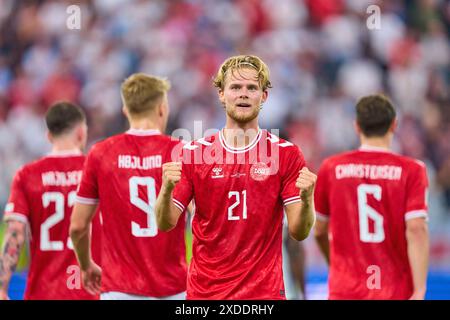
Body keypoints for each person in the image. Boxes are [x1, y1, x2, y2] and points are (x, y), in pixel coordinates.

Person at [155, 55, 316, 300]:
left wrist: (307, 199)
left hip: (264, 295)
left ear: (264, 96)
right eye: (235, 87)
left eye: (252, 88)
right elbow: (165, 223)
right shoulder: (193, 153)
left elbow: (299, 231)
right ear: (221, 94)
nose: (243, 94)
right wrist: (166, 190)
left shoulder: (286, 154)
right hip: (206, 295)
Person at [70, 73, 187, 300]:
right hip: (174, 289)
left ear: (126, 111)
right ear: (162, 108)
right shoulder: (181, 151)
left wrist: (86, 265)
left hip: (120, 289)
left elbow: (77, 226)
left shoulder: (101, 153)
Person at [314, 94, 429, 300]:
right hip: (394, 290)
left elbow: (319, 230)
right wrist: (419, 290)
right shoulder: (412, 170)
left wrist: (337, 265)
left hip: (346, 289)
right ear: (394, 125)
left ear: (357, 126)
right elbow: (416, 228)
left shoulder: (331, 168)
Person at [0, 102, 101, 300]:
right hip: (89, 292)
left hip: (43, 291)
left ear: (48, 136)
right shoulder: (97, 172)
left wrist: (2, 287)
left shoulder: (27, 175)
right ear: (81, 133)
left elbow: (15, 232)